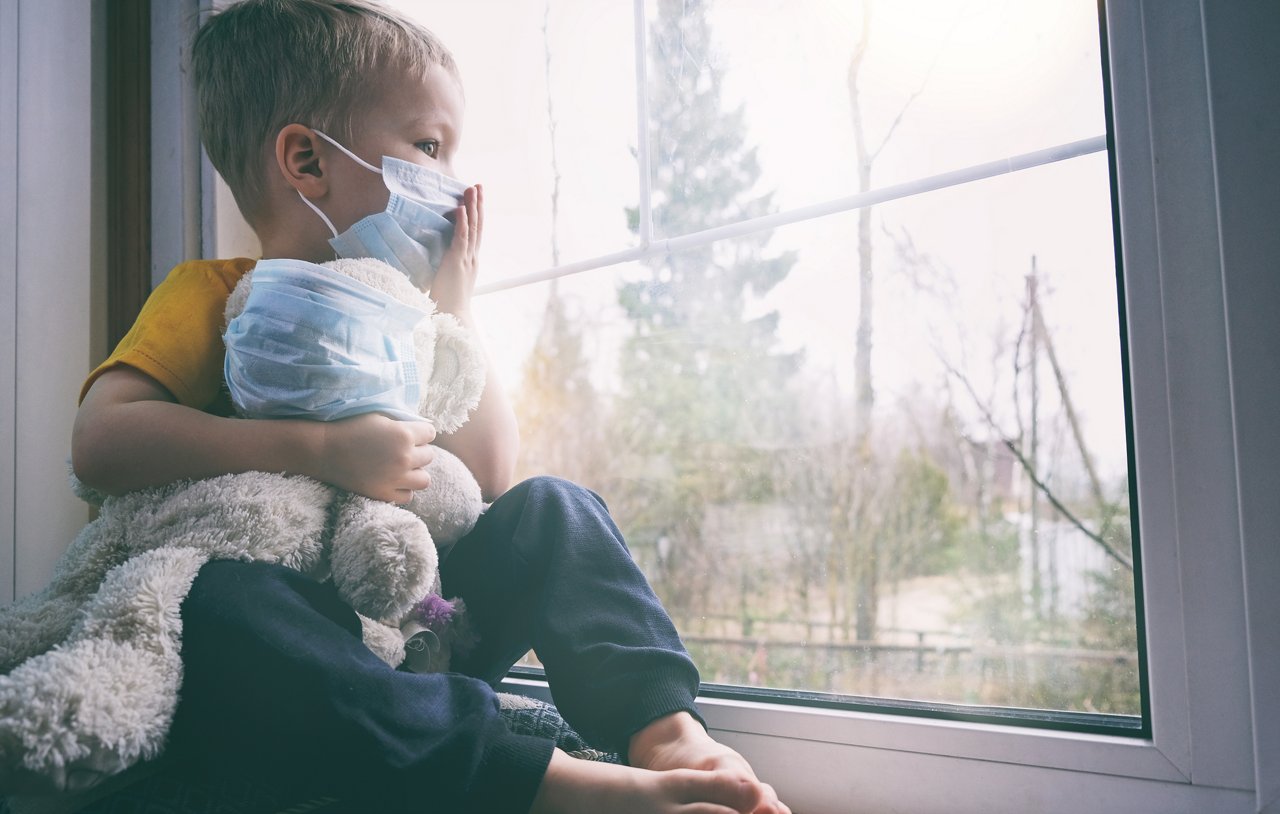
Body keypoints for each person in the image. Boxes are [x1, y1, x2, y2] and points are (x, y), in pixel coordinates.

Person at [70, 2, 790, 812]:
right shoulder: (213, 295)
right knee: (222, 603)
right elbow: (101, 441)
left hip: (419, 623)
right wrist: (318, 452)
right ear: (307, 160)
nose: (454, 182)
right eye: (427, 147)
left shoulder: (416, 318)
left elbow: (488, 475)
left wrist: (454, 311)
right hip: (300, 653)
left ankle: (664, 732)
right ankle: (548, 784)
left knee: (558, 507)